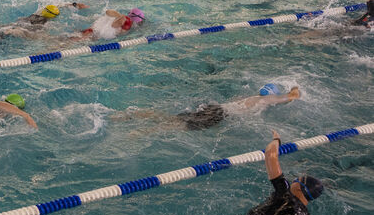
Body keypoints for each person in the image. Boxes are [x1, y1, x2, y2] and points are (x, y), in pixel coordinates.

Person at [194, 130, 323, 215]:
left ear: (301, 189)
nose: (293, 181)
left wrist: (276, 140)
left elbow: (270, 155)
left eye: (296, 181)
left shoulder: (285, 193)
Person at [111, 85, 301, 131]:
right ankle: (144, 132)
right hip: (218, 115)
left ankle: (133, 114)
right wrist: (294, 91)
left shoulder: (250, 97)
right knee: (178, 127)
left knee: (173, 118)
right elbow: (291, 97)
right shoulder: (264, 100)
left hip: (216, 108)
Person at [79, 7, 144, 40]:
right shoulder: (126, 20)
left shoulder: (126, 20)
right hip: (94, 34)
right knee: (74, 42)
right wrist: (120, 16)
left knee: (73, 39)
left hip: (93, 31)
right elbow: (109, 14)